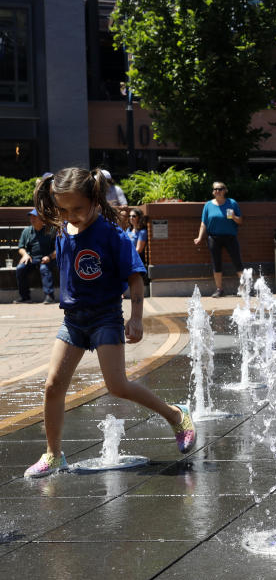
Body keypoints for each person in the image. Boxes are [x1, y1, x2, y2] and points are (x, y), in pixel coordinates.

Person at [24, 168, 194, 478]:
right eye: (63, 209)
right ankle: (53, 454)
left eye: (77, 208)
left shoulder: (112, 234)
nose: (71, 216)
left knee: (117, 386)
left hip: (105, 317)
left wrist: (137, 319)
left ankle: (175, 414)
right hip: (74, 320)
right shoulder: (64, 230)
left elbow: (135, 277)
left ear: (95, 199)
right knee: (52, 386)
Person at [193, 181, 244, 298]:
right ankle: (219, 289)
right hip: (214, 238)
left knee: (237, 262)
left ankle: (244, 288)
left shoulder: (232, 203)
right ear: (213, 191)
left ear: (225, 190)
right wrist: (200, 237)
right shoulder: (208, 205)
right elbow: (203, 223)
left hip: (230, 237)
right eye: (215, 189)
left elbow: (240, 221)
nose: (217, 191)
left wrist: (234, 217)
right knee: (216, 264)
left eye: (220, 189)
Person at [15, 208, 56, 304]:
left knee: (44, 268)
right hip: (32, 259)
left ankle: (50, 296)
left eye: (35, 217)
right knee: (20, 268)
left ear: (42, 219)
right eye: (31, 217)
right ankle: (25, 297)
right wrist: (25, 255)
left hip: (48, 259)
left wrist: (49, 257)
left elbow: (58, 249)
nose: (32, 219)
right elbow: (21, 247)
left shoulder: (51, 230)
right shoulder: (27, 231)